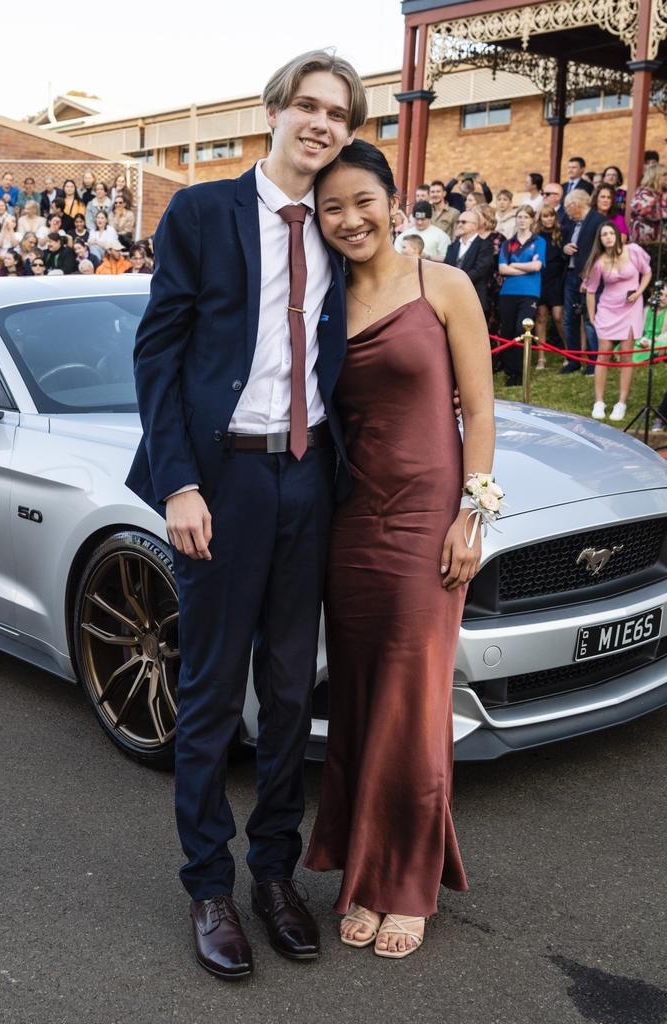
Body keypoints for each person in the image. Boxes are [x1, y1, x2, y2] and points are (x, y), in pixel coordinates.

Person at [126, 48, 368, 981]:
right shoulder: (201, 212)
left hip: (308, 480)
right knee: (214, 694)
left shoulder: (339, 232)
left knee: (292, 691)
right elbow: (159, 354)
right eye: (306, 106)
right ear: (273, 112)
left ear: (348, 132)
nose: (319, 124)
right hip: (222, 481)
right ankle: (208, 884)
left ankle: (274, 874)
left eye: (337, 115)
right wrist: (178, 483)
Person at [304, 139, 495, 957]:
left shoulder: (444, 285)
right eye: (331, 209)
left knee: (416, 704)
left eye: (362, 202)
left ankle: (407, 881)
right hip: (352, 527)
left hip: (429, 526)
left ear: (392, 200)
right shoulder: (321, 304)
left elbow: (480, 416)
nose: (350, 220)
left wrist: (471, 516)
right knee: (358, 698)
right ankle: (363, 866)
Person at [584, 223, 652, 421]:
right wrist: (592, 316)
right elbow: (591, 291)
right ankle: (599, 401)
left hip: (631, 309)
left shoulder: (634, 251)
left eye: (611, 233)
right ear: (600, 239)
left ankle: (621, 403)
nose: (608, 237)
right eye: (604, 234)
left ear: (617, 235)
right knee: (603, 355)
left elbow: (647, 272)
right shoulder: (599, 262)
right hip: (607, 309)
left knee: (626, 356)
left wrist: (639, 292)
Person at [497, 204, 546, 386]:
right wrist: (525, 267)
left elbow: (537, 266)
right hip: (508, 292)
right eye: (519, 217)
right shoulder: (507, 243)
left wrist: (514, 266)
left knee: (521, 329)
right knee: (508, 330)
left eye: (526, 217)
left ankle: (521, 371)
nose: (522, 220)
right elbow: (502, 268)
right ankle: (511, 372)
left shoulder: (539, 241)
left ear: (532, 220)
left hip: (529, 292)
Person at [561, 188, 606, 374]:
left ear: (575, 204)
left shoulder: (598, 221)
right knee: (568, 319)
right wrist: (565, 248)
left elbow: (602, 252)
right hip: (571, 275)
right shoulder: (573, 224)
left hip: (589, 277)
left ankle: (594, 362)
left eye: (567, 207)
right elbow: (564, 245)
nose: (567, 211)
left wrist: (589, 276)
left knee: (589, 319)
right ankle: (573, 360)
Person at [444, 207, 494, 315]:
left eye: (464, 222)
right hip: (451, 298)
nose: (460, 224)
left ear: (475, 225)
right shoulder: (452, 246)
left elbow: (480, 270)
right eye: (458, 222)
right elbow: (446, 269)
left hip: (474, 297)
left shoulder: (485, 245)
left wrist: (458, 282)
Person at [534, 204, 567, 370]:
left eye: (551, 216)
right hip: (540, 278)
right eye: (545, 216)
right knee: (540, 317)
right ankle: (541, 357)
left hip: (557, 280)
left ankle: (568, 352)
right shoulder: (536, 237)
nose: (548, 219)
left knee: (558, 316)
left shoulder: (561, 234)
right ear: (540, 219)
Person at [630, 163, 667, 244]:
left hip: (662, 242)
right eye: (664, 175)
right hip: (644, 241)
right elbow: (644, 211)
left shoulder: (664, 193)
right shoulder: (643, 193)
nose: (666, 177)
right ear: (655, 177)